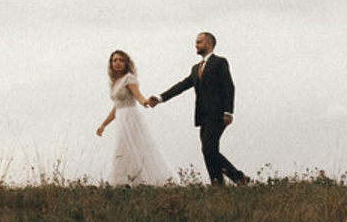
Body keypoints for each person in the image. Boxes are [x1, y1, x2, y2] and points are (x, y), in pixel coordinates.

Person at [147, 30, 246, 184]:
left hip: (218, 114)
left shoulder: (219, 62)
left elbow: (229, 87)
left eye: (199, 42)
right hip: (203, 116)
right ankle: (220, 182)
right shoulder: (195, 69)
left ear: (209, 44)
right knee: (209, 150)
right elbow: (182, 85)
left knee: (209, 149)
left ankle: (234, 178)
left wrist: (228, 112)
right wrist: (160, 98)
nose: (196, 45)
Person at [94, 48, 171, 184]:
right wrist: (103, 125)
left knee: (134, 147)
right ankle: (126, 181)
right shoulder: (115, 82)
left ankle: (145, 181)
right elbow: (117, 107)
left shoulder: (129, 78)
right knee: (123, 150)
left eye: (121, 60)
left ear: (126, 63)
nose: (117, 63)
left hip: (130, 116)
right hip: (121, 118)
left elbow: (138, 95)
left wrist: (145, 102)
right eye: (114, 60)